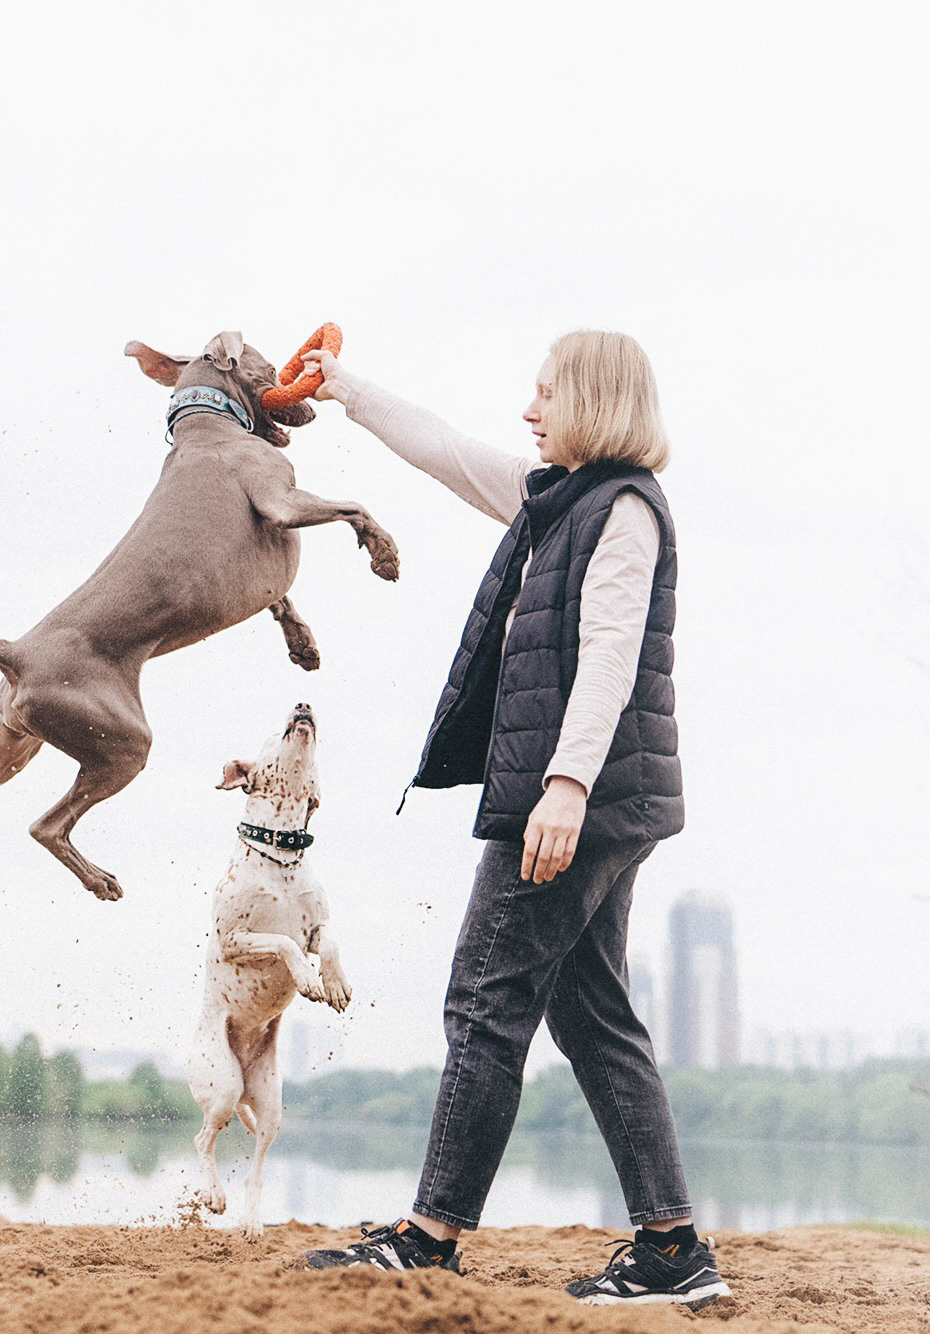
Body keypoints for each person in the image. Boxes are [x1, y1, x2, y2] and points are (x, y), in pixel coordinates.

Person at [297, 332, 731, 1308]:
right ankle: (671, 1250)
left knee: (483, 999)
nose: (527, 411)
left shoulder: (621, 511)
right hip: (604, 799)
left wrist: (564, 785)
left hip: (578, 800)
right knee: (590, 1012)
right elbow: (445, 449)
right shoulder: (558, 499)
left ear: (593, 400)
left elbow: (609, 653)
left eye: (545, 393)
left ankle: (429, 1237)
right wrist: (343, 387)